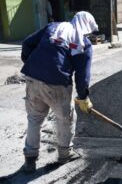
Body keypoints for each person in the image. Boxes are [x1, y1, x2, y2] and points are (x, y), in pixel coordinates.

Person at [20, 11, 98, 173]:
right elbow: (82, 76)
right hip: (57, 85)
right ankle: (65, 154)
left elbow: (27, 43)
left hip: (32, 78)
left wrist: (33, 65)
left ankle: (30, 159)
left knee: (34, 118)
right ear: (86, 27)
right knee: (66, 119)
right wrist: (83, 97)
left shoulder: (53, 27)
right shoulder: (84, 44)